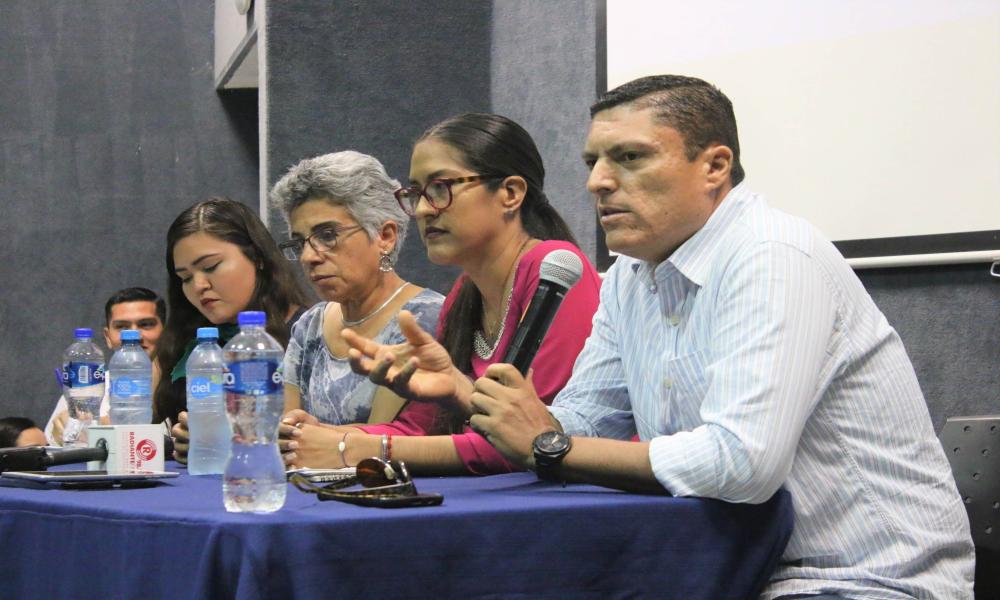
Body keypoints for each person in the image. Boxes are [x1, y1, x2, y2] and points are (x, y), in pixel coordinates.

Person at [410, 76, 975, 598]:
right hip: (726, 567)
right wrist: (498, 408)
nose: (597, 181)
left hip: (862, 577)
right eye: (594, 161)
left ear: (714, 166)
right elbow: (585, 421)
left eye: (630, 157)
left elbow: (741, 465)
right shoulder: (631, 274)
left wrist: (549, 446)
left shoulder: (772, 256)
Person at [282, 113, 602, 475]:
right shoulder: (464, 295)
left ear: (510, 193)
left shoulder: (553, 270)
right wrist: (314, 438)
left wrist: (351, 447)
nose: (421, 210)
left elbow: (527, 442)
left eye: (440, 189)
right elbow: (420, 429)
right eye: (416, 193)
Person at [270, 151, 444, 426]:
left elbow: (380, 441)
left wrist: (313, 437)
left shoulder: (423, 318)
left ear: (384, 236)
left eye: (328, 236)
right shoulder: (310, 325)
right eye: (300, 242)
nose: (308, 257)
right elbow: (285, 430)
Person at [158, 197, 308, 451]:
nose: (198, 286)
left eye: (211, 266)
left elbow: (313, 435)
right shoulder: (183, 343)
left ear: (257, 257)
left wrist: (217, 438)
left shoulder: (309, 331)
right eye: (184, 278)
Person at [44, 287, 166, 445]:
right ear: (108, 337)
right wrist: (62, 431)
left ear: (166, 332)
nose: (135, 335)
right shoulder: (87, 387)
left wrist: (101, 428)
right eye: (122, 327)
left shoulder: (185, 382)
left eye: (146, 324)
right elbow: (50, 443)